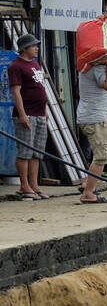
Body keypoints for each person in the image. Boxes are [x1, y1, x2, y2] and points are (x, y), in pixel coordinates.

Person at [76, 38, 107, 203]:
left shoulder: (91, 67)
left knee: (106, 153)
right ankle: (88, 193)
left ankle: (88, 184)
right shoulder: (98, 69)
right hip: (95, 118)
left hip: (96, 117)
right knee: (101, 156)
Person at [8, 33, 49, 200]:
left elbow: (40, 88)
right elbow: (16, 92)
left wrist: (45, 110)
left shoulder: (35, 64)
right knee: (25, 151)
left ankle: (34, 184)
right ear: (25, 48)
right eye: (34, 46)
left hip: (39, 114)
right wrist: (23, 114)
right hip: (27, 115)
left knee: (36, 152)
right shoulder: (16, 66)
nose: (36, 48)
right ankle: (24, 185)